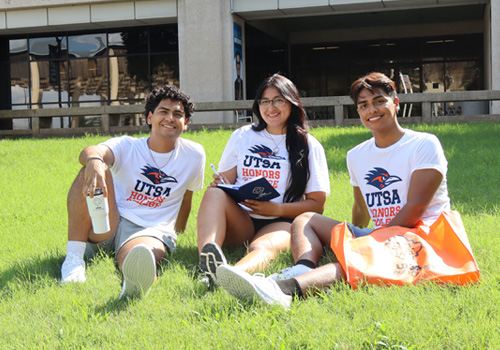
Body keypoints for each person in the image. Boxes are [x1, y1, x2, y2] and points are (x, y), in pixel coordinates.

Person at [216, 72, 452, 308]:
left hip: (420, 238)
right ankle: (303, 267)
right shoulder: (358, 155)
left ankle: (281, 291)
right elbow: (361, 207)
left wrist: (366, 244)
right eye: (364, 105)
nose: (372, 110)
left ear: (396, 103)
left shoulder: (423, 144)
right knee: (306, 219)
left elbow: (415, 209)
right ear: (358, 112)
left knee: (354, 260)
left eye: (379, 101)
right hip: (382, 235)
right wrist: (354, 235)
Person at [60, 84, 206, 300]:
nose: (170, 118)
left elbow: (187, 195)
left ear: (186, 124)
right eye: (163, 112)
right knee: (92, 168)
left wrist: (179, 231)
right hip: (109, 222)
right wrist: (94, 160)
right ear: (149, 118)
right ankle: (73, 260)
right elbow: (92, 151)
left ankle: (134, 285)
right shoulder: (128, 146)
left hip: (149, 230)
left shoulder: (194, 154)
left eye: (178, 114)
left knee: (140, 256)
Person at [197, 74, 330, 286]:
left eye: (278, 100)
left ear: (292, 102)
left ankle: (225, 277)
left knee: (262, 247)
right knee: (214, 193)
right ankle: (206, 259)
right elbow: (228, 180)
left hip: (281, 220)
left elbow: (317, 205)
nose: (271, 107)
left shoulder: (309, 145)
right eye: (265, 101)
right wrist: (221, 182)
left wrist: (275, 210)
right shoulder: (243, 135)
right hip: (242, 217)